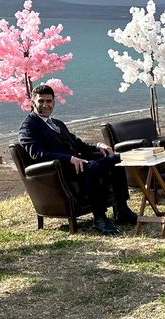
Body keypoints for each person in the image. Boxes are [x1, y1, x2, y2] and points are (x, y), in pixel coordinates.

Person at [19, 85, 137, 235]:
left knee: (116, 160)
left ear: (54, 102)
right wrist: (69, 159)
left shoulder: (57, 123)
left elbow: (77, 143)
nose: (45, 105)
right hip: (57, 172)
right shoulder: (28, 126)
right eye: (41, 101)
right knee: (92, 167)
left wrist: (97, 145)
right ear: (33, 102)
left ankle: (122, 210)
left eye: (49, 101)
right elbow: (37, 154)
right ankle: (99, 218)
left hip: (77, 164)